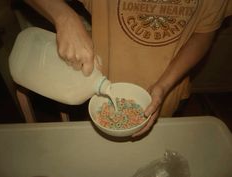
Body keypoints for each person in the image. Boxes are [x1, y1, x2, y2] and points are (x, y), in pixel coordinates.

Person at [24, 0, 232, 137]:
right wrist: (64, 17)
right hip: (94, 84)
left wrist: (163, 86)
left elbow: (204, 32)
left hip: (167, 90)